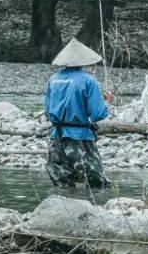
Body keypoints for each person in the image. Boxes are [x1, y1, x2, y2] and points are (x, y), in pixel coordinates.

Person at [44, 37, 111, 190]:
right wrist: (106, 101)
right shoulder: (89, 81)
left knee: (62, 184)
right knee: (97, 184)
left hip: (56, 138)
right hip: (80, 139)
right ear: (84, 60)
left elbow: (48, 111)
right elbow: (98, 114)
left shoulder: (52, 80)